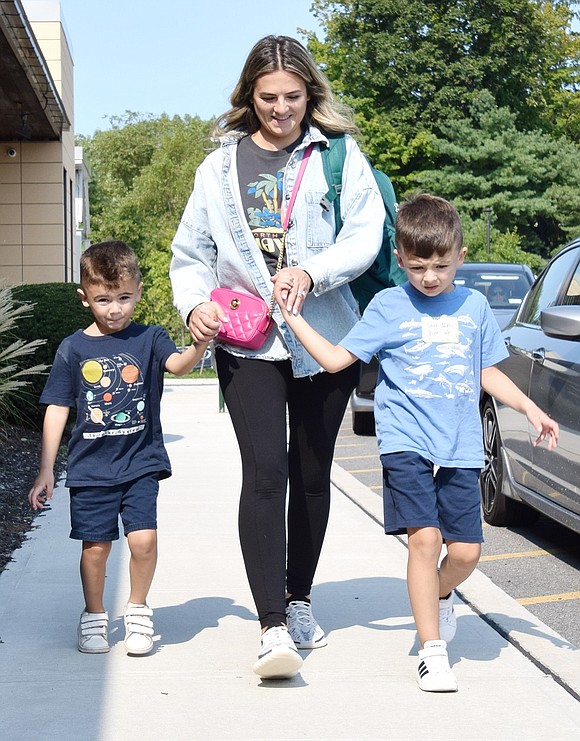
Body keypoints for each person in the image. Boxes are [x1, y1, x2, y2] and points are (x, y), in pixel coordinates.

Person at [275, 193, 559, 692]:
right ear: (402, 259)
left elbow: (487, 370)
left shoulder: (472, 307)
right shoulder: (388, 305)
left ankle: (439, 597)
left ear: (460, 258)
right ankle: (431, 651)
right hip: (405, 440)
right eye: (418, 266)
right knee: (425, 541)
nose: (430, 277)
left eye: (441, 265)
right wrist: (294, 319)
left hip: (462, 445)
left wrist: (531, 409)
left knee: (467, 553)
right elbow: (339, 360)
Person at [170, 35, 385, 679]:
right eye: (268, 98)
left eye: (294, 98)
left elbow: (366, 234)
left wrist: (312, 273)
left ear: (310, 96)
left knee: (313, 474)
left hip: (321, 337)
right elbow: (191, 254)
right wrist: (193, 308)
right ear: (248, 97)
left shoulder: (337, 157)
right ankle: (270, 627)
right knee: (267, 470)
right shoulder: (217, 170)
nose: (281, 110)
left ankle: (298, 600)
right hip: (249, 339)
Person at [28, 241, 213, 656]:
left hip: (140, 462)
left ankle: (137, 608)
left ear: (139, 291)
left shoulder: (150, 338)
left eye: (124, 298)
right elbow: (58, 408)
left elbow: (177, 366)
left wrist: (198, 347)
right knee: (96, 548)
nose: (115, 309)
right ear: (85, 298)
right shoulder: (73, 349)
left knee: (144, 540)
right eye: (104, 299)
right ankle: (94, 615)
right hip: (90, 468)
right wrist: (46, 469)